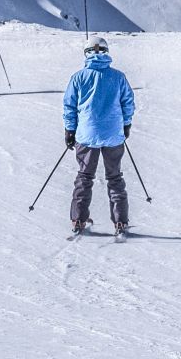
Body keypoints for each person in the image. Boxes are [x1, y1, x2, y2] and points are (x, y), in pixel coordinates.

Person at [61, 36, 136, 235]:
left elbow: (69, 106)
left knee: (85, 176)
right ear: (106, 51)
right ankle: (120, 221)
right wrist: (126, 124)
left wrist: (70, 130)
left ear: (86, 53)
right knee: (115, 177)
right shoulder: (118, 76)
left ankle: (78, 219)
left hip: (86, 135)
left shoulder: (78, 77)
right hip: (113, 134)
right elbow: (128, 103)